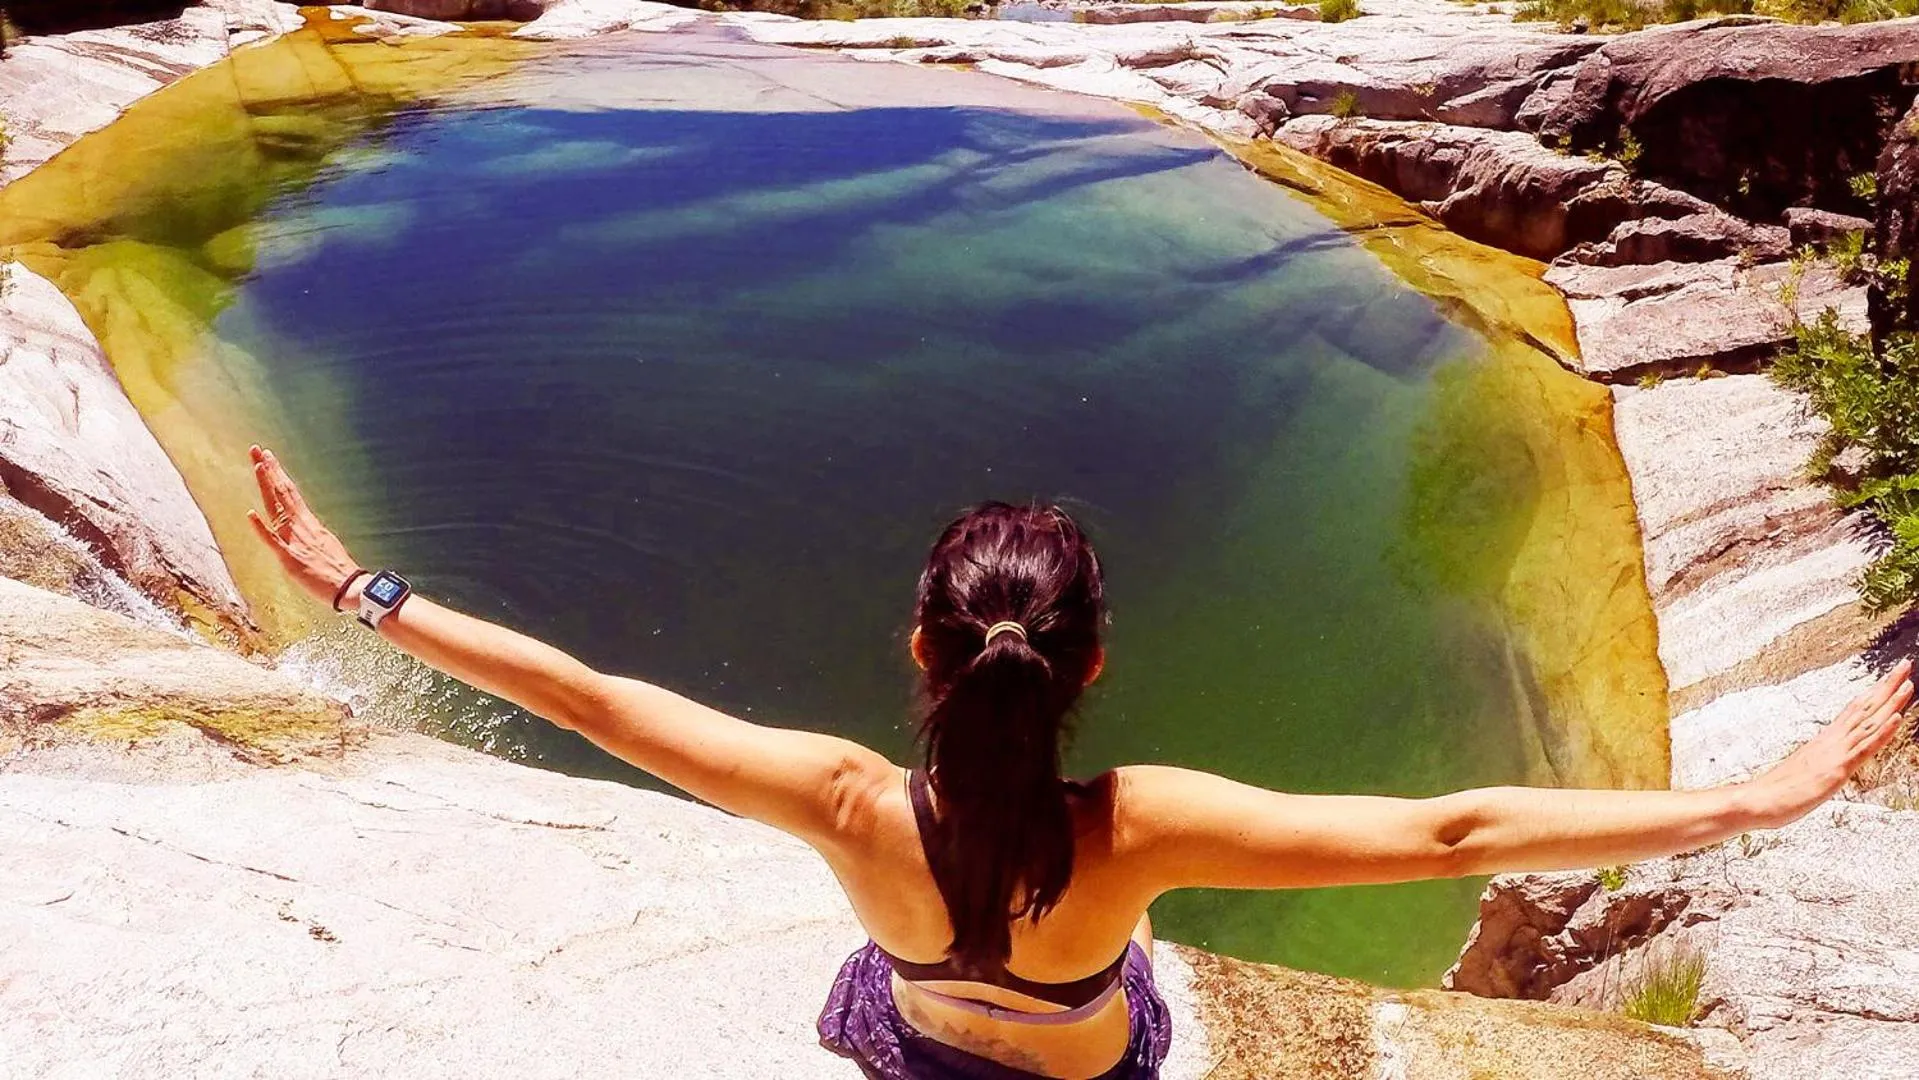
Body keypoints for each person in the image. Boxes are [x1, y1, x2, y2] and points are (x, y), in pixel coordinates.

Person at [244, 444, 1912, 1080]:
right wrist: (1750, 798)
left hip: (904, 1037)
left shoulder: (841, 800)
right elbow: (1451, 826)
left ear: (920, 652)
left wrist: (362, 589)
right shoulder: (1135, 828)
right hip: (1075, 1062)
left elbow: (594, 700)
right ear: (1091, 666)